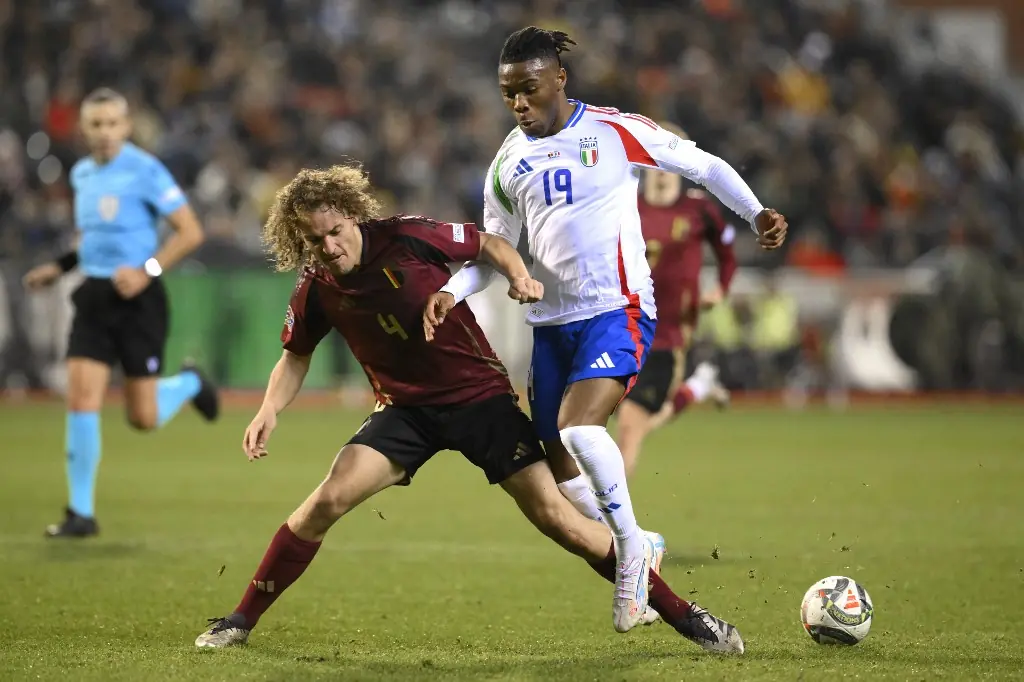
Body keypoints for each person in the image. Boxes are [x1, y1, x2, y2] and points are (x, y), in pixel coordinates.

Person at [195, 165, 742, 655]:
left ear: (352, 215)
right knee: (326, 500)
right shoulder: (316, 286)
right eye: (315, 240)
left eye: (335, 231)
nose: (330, 246)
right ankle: (240, 620)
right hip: (406, 411)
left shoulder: (406, 237)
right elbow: (295, 355)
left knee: (558, 520)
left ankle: (686, 616)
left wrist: (519, 275)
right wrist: (269, 409)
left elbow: (489, 244)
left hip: (479, 399)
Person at [424, 27, 787, 635]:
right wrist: (450, 291)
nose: (519, 104)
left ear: (559, 79)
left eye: (529, 89)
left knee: (578, 427)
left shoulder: (614, 130)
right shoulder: (506, 164)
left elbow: (700, 165)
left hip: (618, 309)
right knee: (558, 463)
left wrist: (755, 212)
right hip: (551, 326)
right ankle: (642, 540)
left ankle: (630, 556)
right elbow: (493, 253)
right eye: (509, 93)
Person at [22, 87, 219, 538]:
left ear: (126, 127)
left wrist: (148, 270)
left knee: (142, 418)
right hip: (94, 297)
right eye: (96, 124)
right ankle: (80, 513)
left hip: (139, 302)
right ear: (83, 129)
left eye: (113, 123)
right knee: (81, 398)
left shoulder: (146, 170)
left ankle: (189, 382)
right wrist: (60, 267)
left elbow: (191, 232)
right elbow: (90, 238)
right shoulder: (82, 174)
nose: (105, 132)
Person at [617, 123, 736, 478]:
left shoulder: (699, 210)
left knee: (630, 426)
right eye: (655, 157)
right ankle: (698, 387)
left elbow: (728, 254)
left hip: (667, 336)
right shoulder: (623, 206)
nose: (663, 168)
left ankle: (605, 512)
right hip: (619, 329)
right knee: (623, 422)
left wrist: (721, 289)